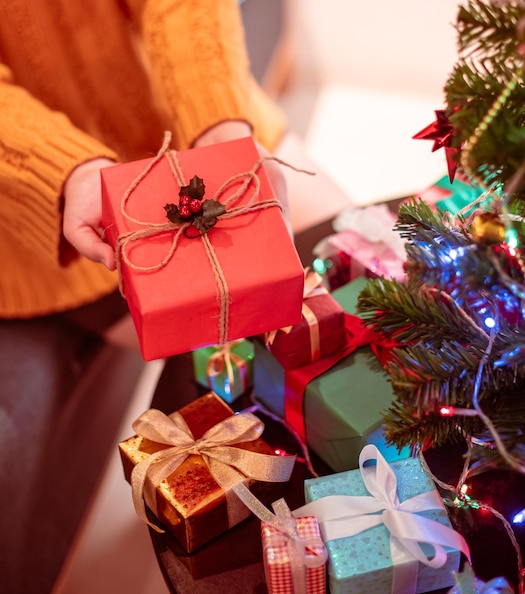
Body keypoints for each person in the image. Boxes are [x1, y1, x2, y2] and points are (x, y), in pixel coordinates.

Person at [0, 0, 350, 349]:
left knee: (358, 268)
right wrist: (66, 170)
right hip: (61, 209)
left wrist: (220, 125)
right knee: (240, 354)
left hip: (203, 123)